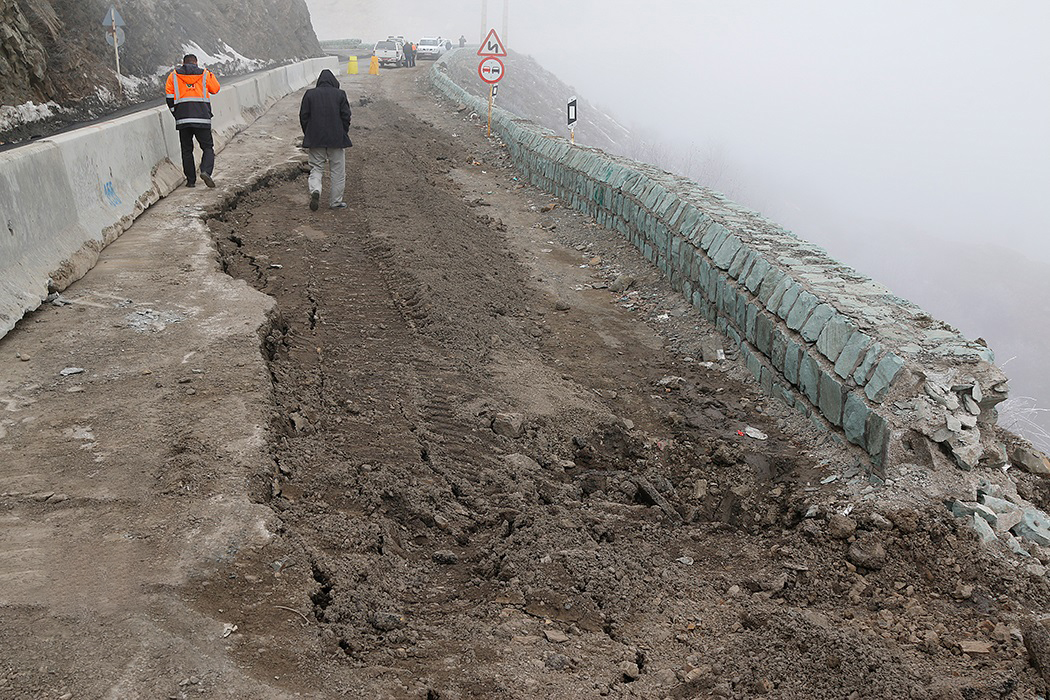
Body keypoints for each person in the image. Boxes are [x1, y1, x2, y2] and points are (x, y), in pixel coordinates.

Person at [299, 69, 352, 211]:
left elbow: (304, 116)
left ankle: (315, 190)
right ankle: (335, 202)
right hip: (336, 139)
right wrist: (342, 133)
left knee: (316, 168)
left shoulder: (310, 94)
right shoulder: (340, 94)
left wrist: (308, 133)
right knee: (338, 171)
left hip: (315, 139)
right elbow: (346, 116)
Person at [165, 54, 220, 188]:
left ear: (183, 63)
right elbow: (215, 89)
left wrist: (176, 114)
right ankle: (206, 171)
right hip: (202, 117)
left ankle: (190, 181)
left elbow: (169, 97)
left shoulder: (173, 76)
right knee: (207, 148)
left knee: (186, 150)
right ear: (196, 63)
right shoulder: (205, 74)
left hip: (183, 119)